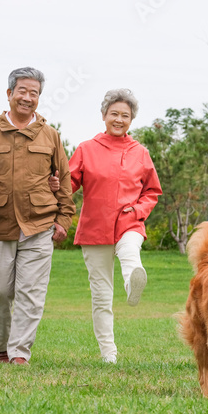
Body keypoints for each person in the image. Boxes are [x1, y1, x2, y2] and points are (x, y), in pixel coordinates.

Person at [0, 67, 74, 365]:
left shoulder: (50, 135)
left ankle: (19, 353)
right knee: (0, 291)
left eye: (35, 93)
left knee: (31, 293)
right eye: (23, 92)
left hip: (40, 225)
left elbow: (63, 179)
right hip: (1, 226)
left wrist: (63, 220)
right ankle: (2, 347)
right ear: (10, 94)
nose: (28, 98)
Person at [51, 89, 161, 364]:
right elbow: (70, 184)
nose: (119, 119)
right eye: (114, 114)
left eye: (125, 115)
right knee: (101, 297)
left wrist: (138, 210)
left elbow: (152, 191)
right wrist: (56, 186)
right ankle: (108, 354)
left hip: (129, 221)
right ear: (103, 116)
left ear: (131, 120)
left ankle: (132, 282)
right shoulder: (87, 149)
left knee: (130, 250)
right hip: (95, 228)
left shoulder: (140, 153)